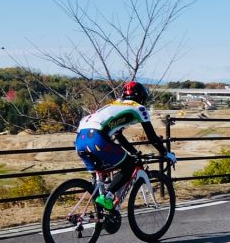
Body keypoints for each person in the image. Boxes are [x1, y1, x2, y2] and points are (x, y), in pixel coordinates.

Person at [74, 81, 177, 209]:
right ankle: (107, 197)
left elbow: (118, 135)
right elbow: (152, 136)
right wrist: (166, 153)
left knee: (101, 174)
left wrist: (134, 152)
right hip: (97, 138)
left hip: (80, 140)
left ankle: (100, 213)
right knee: (128, 166)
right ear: (141, 98)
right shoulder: (139, 108)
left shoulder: (113, 105)